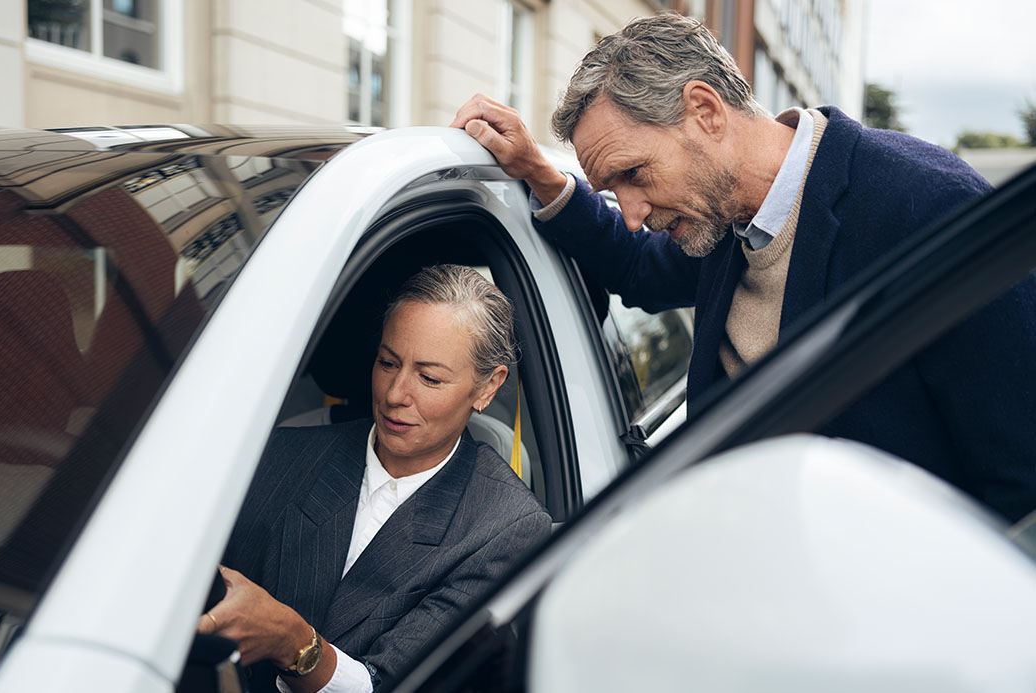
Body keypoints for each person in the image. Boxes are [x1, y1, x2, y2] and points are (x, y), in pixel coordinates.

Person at [451, 13, 1036, 522]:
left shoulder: (928, 209)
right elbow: (637, 268)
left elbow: (1019, 481)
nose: (629, 213)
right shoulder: (725, 220)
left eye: (633, 175)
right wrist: (540, 173)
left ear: (705, 110)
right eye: (612, 188)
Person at [197, 264, 552, 692]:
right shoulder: (278, 455)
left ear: (487, 388)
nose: (395, 393)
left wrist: (293, 641)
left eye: (429, 377)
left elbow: (395, 682)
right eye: (387, 362)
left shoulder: (503, 527)